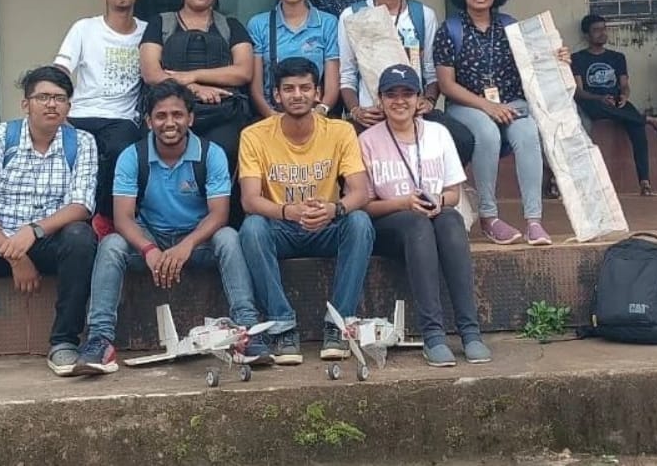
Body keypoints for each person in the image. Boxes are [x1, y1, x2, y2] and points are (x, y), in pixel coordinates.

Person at [72, 80, 271, 375]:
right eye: (161, 116)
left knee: (229, 237)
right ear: (148, 121)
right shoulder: (132, 156)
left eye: (177, 114)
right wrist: (149, 249)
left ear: (190, 118)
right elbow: (123, 217)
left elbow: (219, 215)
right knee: (111, 244)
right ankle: (100, 340)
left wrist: (186, 246)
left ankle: (247, 332)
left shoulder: (211, 154)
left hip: (198, 241)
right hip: (151, 238)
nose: (169, 123)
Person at [238, 57, 374, 366]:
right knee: (252, 228)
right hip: (282, 228)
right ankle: (282, 326)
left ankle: (338, 323)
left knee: (360, 222)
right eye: (288, 89)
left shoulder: (340, 131)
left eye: (304, 88)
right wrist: (289, 211)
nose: (297, 95)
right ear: (276, 95)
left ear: (318, 93)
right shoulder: (254, 135)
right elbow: (249, 200)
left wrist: (333, 209)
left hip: (326, 226)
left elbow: (360, 192)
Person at [0, 66, 97, 379]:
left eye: (59, 98)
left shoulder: (81, 142)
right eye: (43, 97)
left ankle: (64, 342)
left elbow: (81, 205)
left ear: (69, 106)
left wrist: (33, 231)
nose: (51, 104)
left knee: (80, 236)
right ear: (26, 104)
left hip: (49, 245)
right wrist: (14, 255)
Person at [359, 64, 491, 366]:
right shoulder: (367, 140)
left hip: (433, 216)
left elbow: (453, 194)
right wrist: (404, 203)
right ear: (380, 100)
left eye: (407, 94)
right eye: (391, 94)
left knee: (451, 219)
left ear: (419, 99)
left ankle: (471, 332)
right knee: (418, 224)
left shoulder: (438, 133)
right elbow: (365, 205)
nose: (399, 101)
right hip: (390, 225)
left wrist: (436, 200)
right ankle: (433, 335)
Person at [434, 0, 568, 246]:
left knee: (528, 132)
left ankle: (534, 221)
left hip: (511, 104)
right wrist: (488, 106)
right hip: (467, 106)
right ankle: (489, 216)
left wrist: (558, 58)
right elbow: (447, 85)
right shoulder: (450, 29)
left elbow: (537, 65)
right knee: (487, 132)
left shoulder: (511, 27)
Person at [339, 0, 475, 166]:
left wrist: (429, 101)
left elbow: (431, 70)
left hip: (413, 111)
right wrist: (356, 111)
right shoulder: (352, 15)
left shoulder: (423, 14)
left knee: (462, 140)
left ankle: (444, 185)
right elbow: (347, 74)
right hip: (372, 114)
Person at [55, 0, 147, 238]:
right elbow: (61, 70)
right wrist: (59, 109)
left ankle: (107, 217)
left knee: (122, 151)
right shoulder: (84, 28)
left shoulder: (147, 31)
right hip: (80, 114)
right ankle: (66, 218)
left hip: (121, 117)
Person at [139, 0, 253, 175]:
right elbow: (151, 73)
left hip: (221, 113)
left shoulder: (231, 26)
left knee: (224, 151)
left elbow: (244, 71)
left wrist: (192, 75)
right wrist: (194, 89)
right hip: (168, 110)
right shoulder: (160, 23)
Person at [573, 14, 657, 196]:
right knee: (618, 112)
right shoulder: (578, 58)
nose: (602, 33)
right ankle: (649, 120)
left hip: (616, 101)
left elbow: (624, 85)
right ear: (587, 35)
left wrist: (625, 96)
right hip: (593, 103)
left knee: (636, 125)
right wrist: (599, 98)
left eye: (604, 29)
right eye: (596, 30)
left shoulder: (617, 57)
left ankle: (644, 182)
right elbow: (578, 91)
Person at [247, 0, 339, 118]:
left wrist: (320, 113)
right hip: (272, 115)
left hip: (316, 114)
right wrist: (273, 117)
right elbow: (256, 88)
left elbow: (332, 83)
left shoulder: (328, 23)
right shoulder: (259, 24)